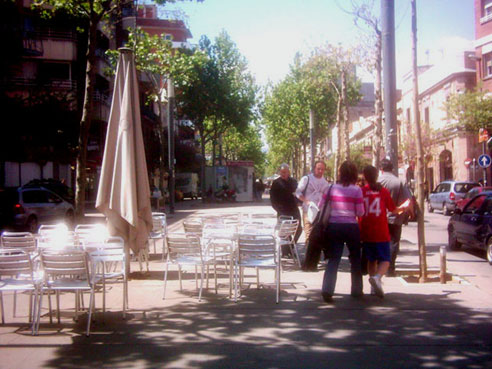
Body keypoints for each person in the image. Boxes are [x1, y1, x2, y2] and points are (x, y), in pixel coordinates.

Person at [319, 160, 364, 302]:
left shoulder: (331, 189)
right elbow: (360, 212)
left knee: (334, 259)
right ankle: (356, 290)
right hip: (351, 227)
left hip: (334, 226)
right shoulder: (357, 190)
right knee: (355, 259)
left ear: (340, 173)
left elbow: (321, 206)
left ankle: (327, 289)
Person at [360, 165, 399, 298]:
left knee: (371, 260)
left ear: (364, 176)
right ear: (377, 176)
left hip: (366, 229)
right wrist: (404, 207)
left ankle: (373, 287)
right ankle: (377, 278)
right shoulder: (383, 191)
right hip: (381, 229)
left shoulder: (362, 191)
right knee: (385, 260)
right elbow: (393, 209)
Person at [378, 158, 413, 276]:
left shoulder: (377, 181)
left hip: (379, 218)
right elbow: (408, 200)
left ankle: (380, 266)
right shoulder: (399, 182)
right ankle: (390, 268)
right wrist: (408, 213)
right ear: (392, 169)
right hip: (395, 217)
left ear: (381, 169)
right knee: (393, 243)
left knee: (380, 242)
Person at [295, 160, 330, 242]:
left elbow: (326, 196)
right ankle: (309, 253)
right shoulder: (306, 179)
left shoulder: (325, 182)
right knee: (308, 234)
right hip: (308, 210)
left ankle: (315, 254)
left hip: (319, 212)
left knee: (318, 235)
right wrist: (306, 201)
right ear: (314, 169)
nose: (320, 171)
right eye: (318, 169)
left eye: (322, 169)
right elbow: (297, 192)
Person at [270, 163, 302, 247]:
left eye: (285, 172)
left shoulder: (294, 181)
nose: (283, 174)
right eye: (282, 172)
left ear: (289, 172)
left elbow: (298, 193)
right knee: (284, 232)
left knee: (298, 229)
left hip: (294, 209)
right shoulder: (276, 183)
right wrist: (278, 209)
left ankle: (291, 247)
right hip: (282, 211)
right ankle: (285, 251)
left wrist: (299, 201)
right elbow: (273, 198)